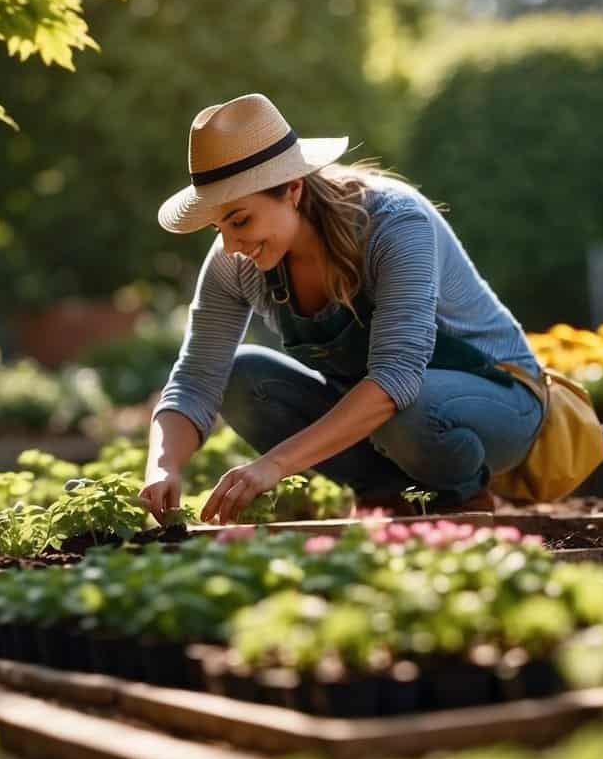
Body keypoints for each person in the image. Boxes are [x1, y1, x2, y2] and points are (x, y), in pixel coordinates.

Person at [139, 93, 545, 524]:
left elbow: (395, 378)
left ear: (292, 189)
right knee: (240, 377)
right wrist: (162, 467)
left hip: (498, 400)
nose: (230, 245)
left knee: (407, 408)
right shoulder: (237, 262)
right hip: (386, 419)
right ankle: (384, 496)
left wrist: (273, 465)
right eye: (218, 227)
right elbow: (196, 379)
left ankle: (461, 501)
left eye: (240, 221)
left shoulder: (395, 224)